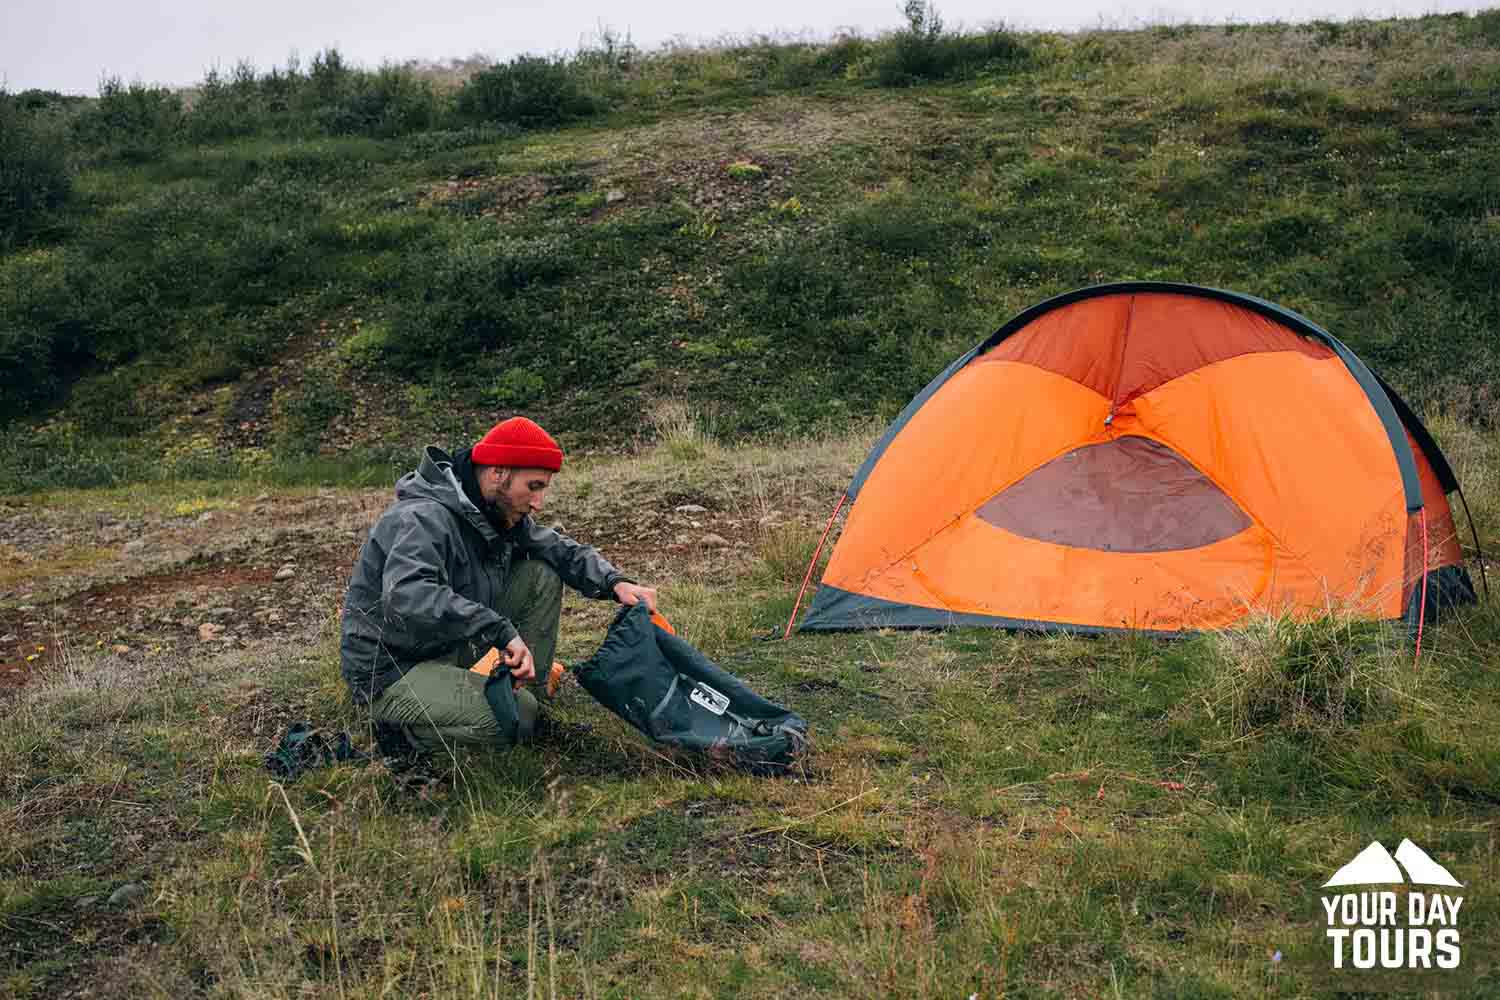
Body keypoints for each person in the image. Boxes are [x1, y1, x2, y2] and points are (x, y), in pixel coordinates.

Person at [340, 416, 658, 750]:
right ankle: (401, 733)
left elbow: (558, 548)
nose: (539, 502)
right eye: (533, 486)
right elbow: (408, 595)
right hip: (392, 671)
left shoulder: (491, 511)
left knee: (541, 573)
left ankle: (530, 699)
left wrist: (615, 583)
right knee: (512, 718)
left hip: (444, 643)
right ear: (497, 473)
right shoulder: (421, 517)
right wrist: (499, 629)